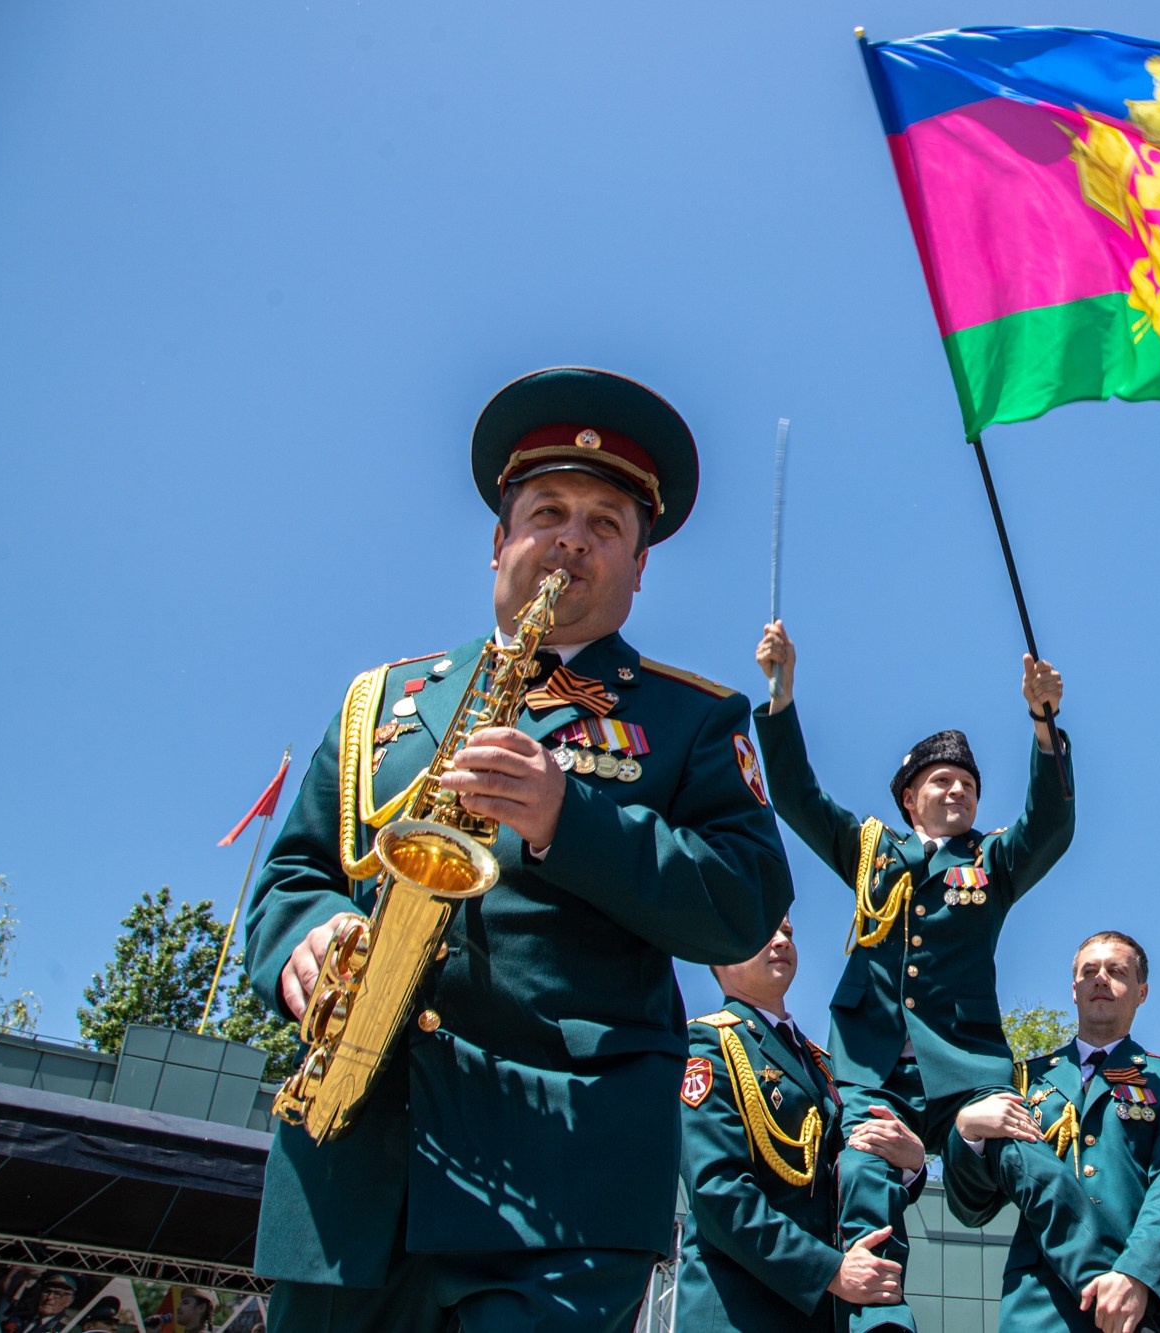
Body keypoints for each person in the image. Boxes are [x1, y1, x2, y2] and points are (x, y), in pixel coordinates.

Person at [245, 367, 794, 1332]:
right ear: (500, 543)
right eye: (547, 511)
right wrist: (309, 934)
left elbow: (745, 898)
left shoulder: (697, 718)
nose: (572, 539)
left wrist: (566, 819)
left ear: (637, 569)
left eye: (605, 524)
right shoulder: (381, 704)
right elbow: (292, 873)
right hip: (356, 1165)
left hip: (566, 1186)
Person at [753, 618, 1075, 1333]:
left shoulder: (991, 861)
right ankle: (878, 1321)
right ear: (909, 798)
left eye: (966, 781)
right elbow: (800, 797)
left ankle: (1096, 1286)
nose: (956, 788)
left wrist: (1044, 723)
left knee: (1028, 1160)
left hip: (965, 1068)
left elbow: (1049, 823)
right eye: (941, 780)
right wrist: (781, 695)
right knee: (866, 1171)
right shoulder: (874, 853)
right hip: (872, 1067)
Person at [947, 931, 1160, 1333]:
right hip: (1040, 1304)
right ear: (1074, 990)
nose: (1101, 979)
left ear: (1141, 992)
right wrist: (966, 1133)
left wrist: (1138, 1274)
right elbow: (972, 1207)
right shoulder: (1024, 1080)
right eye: (1089, 971)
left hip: (1142, 1300)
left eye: (1116, 971)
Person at [678, 917, 927, 1331]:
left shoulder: (824, 1065)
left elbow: (844, 1179)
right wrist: (828, 1271)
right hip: (737, 1312)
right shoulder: (709, 1046)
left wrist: (910, 1163)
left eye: (788, 934)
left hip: (818, 1315)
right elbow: (717, 1192)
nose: (780, 942)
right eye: (764, 932)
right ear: (721, 954)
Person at [0, 1273, 78, 1333]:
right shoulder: (20, 1319)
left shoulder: (68, 1328)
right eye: (47, 1292)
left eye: (57, 1294)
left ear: (69, 1301)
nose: (49, 1298)